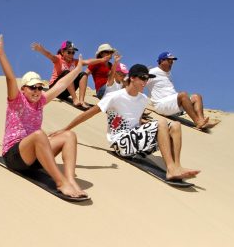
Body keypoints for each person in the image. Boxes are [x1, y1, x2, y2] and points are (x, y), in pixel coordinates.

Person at [51, 64, 200, 181]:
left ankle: (177, 166)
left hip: (135, 142)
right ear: (132, 78)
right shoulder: (114, 97)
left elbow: (135, 120)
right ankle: (171, 169)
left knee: (175, 125)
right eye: (142, 78)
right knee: (161, 123)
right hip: (120, 143)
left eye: (147, 79)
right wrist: (65, 129)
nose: (145, 82)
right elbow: (88, 114)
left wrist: (155, 129)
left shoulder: (142, 99)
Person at [0, 33, 88, 198]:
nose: (37, 91)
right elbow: (10, 78)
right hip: (14, 156)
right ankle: (61, 183)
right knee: (39, 135)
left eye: (40, 88)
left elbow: (61, 84)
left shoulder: (40, 101)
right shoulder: (16, 101)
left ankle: (70, 180)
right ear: (24, 88)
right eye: (33, 87)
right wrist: (1, 54)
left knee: (69, 135)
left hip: (35, 157)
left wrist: (77, 69)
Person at [146, 51, 217, 130]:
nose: (171, 63)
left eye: (173, 61)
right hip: (161, 105)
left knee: (197, 96)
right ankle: (198, 122)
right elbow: (139, 82)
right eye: (169, 60)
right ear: (162, 61)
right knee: (183, 95)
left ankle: (202, 121)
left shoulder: (168, 73)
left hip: (172, 105)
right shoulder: (152, 72)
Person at [31, 40, 109, 109]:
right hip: (55, 89)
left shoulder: (74, 61)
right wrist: (41, 50)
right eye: (69, 52)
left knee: (83, 74)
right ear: (62, 52)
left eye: (73, 52)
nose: (71, 55)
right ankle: (75, 99)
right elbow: (49, 55)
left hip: (65, 91)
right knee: (68, 73)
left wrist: (101, 60)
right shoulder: (58, 59)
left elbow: (87, 62)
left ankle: (81, 100)